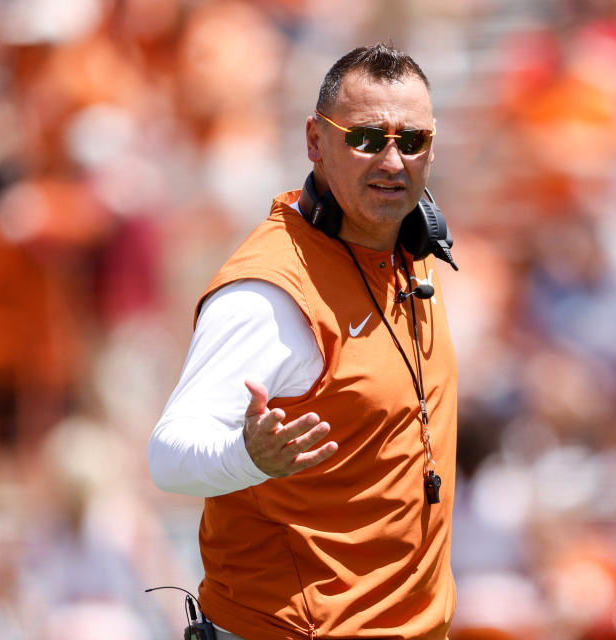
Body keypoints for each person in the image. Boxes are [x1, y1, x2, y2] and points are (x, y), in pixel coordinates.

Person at [148, 43, 458, 640]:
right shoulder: (271, 291)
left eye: (412, 140)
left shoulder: (413, 251)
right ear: (316, 142)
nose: (393, 161)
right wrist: (247, 456)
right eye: (366, 138)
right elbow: (168, 454)